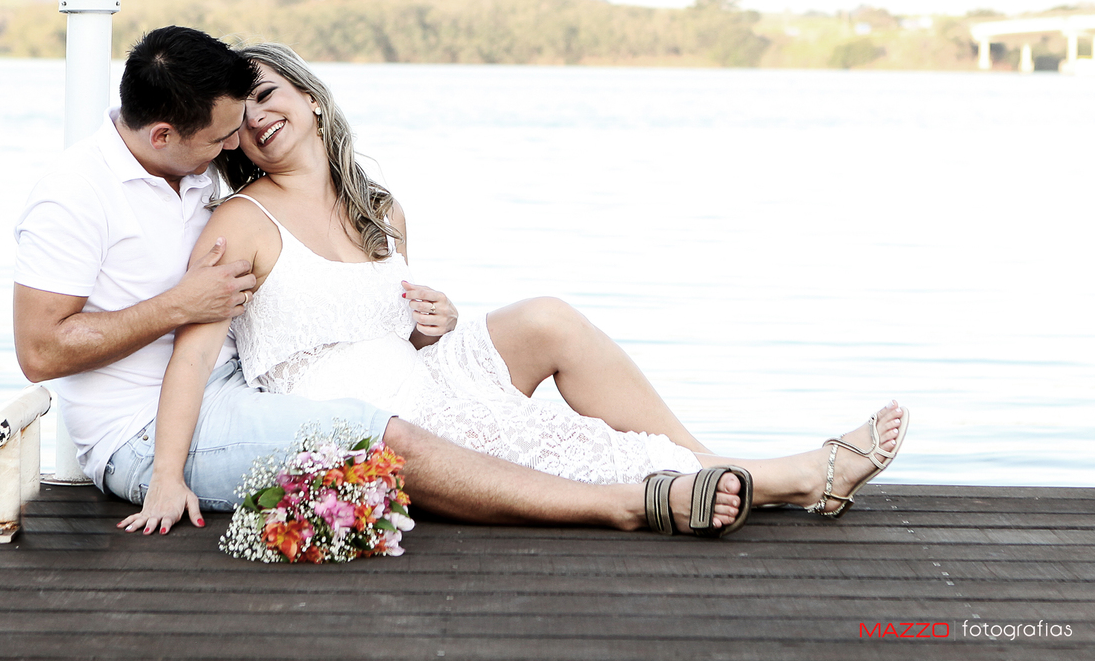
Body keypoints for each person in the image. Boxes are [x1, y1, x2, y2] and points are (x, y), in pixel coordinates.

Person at [119, 35, 908, 535]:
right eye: (243, 112)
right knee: (561, 442)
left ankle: (707, 462)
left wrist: (433, 321)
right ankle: (801, 476)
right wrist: (165, 480)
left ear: (311, 99)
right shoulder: (242, 224)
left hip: (418, 369)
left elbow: (390, 320)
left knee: (548, 318)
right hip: (365, 416)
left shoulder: (380, 209)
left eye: (269, 95)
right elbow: (191, 359)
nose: (258, 118)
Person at [12, 25, 760, 542]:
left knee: (523, 343)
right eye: (221, 137)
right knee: (385, 433)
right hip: (143, 436)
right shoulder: (77, 196)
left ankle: (723, 467)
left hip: (239, 397)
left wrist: (423, 321)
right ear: (166, 136)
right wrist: (165, 466)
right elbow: (43, 352)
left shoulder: (197, 180)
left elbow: (313, 292)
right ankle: (626, 507)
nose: (231, 149)